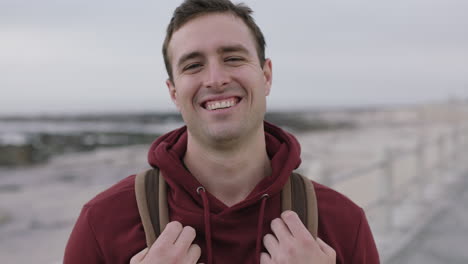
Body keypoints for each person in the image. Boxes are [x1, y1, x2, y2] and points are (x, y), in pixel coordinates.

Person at [64, 0, 380, 263]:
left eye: (232, 58)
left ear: (266, 76)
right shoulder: (104, 221)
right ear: (174, 92)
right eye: (193, 65)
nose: (215, 79)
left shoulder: (341, 221)